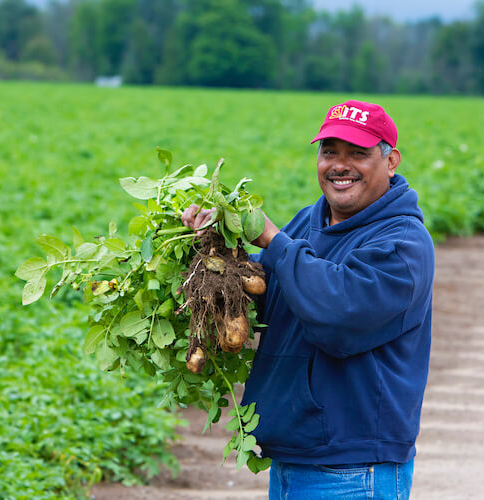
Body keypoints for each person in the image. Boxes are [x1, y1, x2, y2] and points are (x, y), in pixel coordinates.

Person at [182, 100, 435, 499]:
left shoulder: (402, 243)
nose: (340, 164)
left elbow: (337, 313)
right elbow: (270, 298)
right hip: (293, 457)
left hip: (353, 467)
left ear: (391, 162)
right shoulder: (309, 222)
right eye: (329, 151)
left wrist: (274, 242)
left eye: (358, 153)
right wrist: (215, 255)